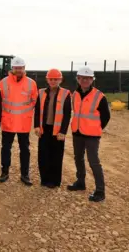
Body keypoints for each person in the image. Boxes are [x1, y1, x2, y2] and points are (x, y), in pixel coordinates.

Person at [67, 66, 110, 202]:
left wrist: (96, 127)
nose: (85, 80)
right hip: (77, 133)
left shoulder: (99, 96)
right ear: (78, 79)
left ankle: (100, 191)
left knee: (93, 162)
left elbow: (106, 116)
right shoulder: (75, 94)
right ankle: (81, 182)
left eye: (88, 78)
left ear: (92, 80)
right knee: (78, 158)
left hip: (92, 135)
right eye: (82, 78)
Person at [0, 56, 38, 186]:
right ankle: (4, 172)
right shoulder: (3, 82)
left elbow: (34, 101)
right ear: (12, 68)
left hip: (23, 123)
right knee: (5, 149)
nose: (18, 70)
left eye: (20, 68)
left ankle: (25, 174)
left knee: (25, 149)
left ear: (24, 68)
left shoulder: (31, 83)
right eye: (16, 68)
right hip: (8, 122)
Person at [34, 69, 71, 189]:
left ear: (60, 80)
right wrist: (36, 126)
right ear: (47, 80)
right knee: (43, 155)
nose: (53, 81)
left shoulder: (66, 94)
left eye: (56, 79)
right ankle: (44, 179)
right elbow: (37, 111)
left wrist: (63, 131)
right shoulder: (41, 93)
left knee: (56, 156)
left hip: (58, 131)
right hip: (44, 129)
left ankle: (55, 181)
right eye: (51, 79)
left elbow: (67, 114)